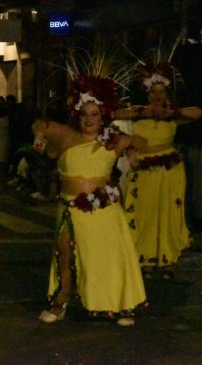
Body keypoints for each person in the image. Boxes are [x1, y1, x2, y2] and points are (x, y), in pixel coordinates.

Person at [33, 73, 147, 327]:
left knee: (108, 257)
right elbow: (40, 124)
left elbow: (139, 140)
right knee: (66, 255)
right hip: (71, 208)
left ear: (103, 115)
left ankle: (120, 304)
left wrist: (132, 150)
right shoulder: (66, 136)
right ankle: (61, 303)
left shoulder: (112, 140)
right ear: (77, 114)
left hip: (103, 210)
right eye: (85, 113)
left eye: (95, 114)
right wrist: (39, 137)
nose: (89, 119)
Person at [115, 60, 202, 279]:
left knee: (167, 214)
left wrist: (171, 111)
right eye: (153, 93)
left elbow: (197, 113)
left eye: (161, 93)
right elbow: (115, 114)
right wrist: (145, 111)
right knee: (144, 213)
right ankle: (145, 259)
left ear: (167, 94)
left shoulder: (172, 115)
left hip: (168, 171)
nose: (157, 97)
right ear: (147, 94)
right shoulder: (138, 112)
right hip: (143, 170)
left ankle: (168, 261)